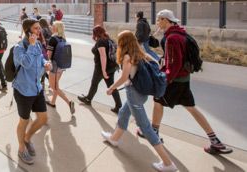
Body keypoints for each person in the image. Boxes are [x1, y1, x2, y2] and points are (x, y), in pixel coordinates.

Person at [137, 9, 233, 155]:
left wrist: (165, 79)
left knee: (158, 101)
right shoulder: (180, 33)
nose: (157, 22)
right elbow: (173, 59)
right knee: (191, 107)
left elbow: (174, 64)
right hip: (183, 78)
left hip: (174, 80)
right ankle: (215, 141)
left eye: (158, 19)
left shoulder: (173, 38)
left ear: (165, 20)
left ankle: (153, 132)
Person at [101, 30, 177, 172]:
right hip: (141, 93)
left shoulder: (127, 57)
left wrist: (111, 87)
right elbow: (155, 63)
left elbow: (124, 78)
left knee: (146, 128)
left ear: (124, 43)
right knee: (124, 114)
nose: (118, 43)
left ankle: (168, 164)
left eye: (119, 41)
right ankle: (114, 138)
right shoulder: (139, 52)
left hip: (133, 94)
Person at [13, 19, 52, 165]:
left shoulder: (37, 44)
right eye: (36, 29)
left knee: (43, 118)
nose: (39, 31)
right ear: (28, 31)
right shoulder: (18, 47)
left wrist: (45, 63)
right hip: (23, 90)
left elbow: (40, 58)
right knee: (25, 120)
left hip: (37, 88)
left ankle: (27, 138)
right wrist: (32, 45)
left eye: (39, 28)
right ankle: (21, 148)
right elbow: (27, 63)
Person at [78, 25, 122, 114]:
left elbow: (103, 56)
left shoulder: (101, 41)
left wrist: (103, 70)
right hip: (112, 67)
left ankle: (88, 99)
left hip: (102, 68)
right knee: (111, 86)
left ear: (96, 33)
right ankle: (118, 105)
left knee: (94, 84)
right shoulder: (109, 40)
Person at [46, 21, 75, 114]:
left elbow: (49, 55)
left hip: (54, 66)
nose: (51, 27)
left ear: (56, 28)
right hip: (62, 66)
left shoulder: (53, 39)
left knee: (54, 87)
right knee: (56, 85)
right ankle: (52, 102)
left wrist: (46, 64)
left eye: (53, 26)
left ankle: (69, 102)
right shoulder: (63, 39)